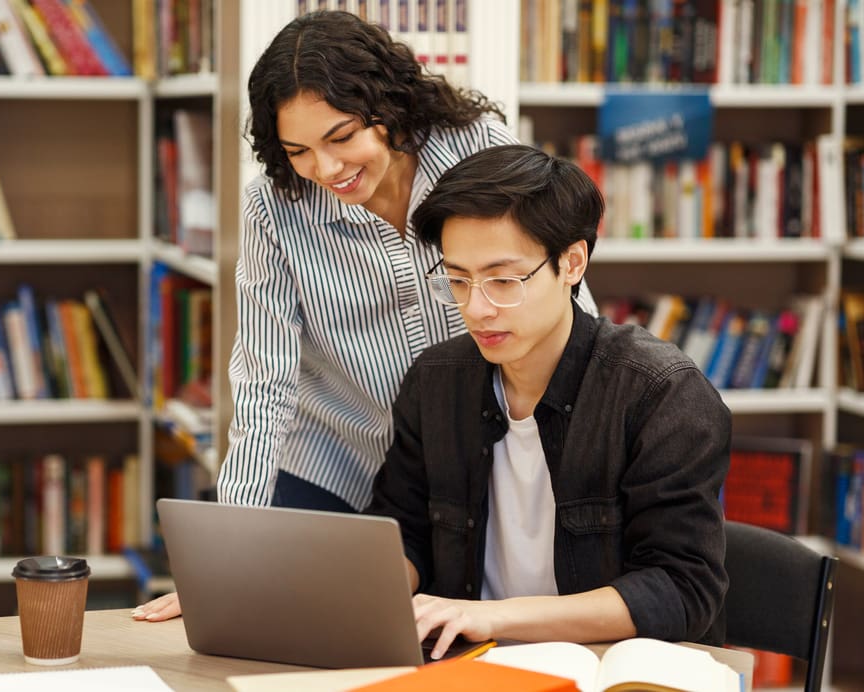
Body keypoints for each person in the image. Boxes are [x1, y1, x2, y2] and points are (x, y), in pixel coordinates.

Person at [134, 9, 595, 622]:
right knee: (281, 622)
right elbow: (262, 382)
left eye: (341, 137)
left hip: (471, 455)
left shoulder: (478, 148)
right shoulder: (274, 209)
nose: (326, 169)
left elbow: (555, 294)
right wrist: (227, 553)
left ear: (390, 108)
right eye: (297, 149)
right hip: (336, 456)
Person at [365, 144, 731, 660]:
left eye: (504, 280)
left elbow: (682, 588)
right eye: (458, 279)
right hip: (469, 667)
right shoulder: (436, 382)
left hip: (607, 670)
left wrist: (490, 616)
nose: (477, 308)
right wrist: (368, 592)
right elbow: (403, 534)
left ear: (571, 263)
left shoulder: (658, 391)